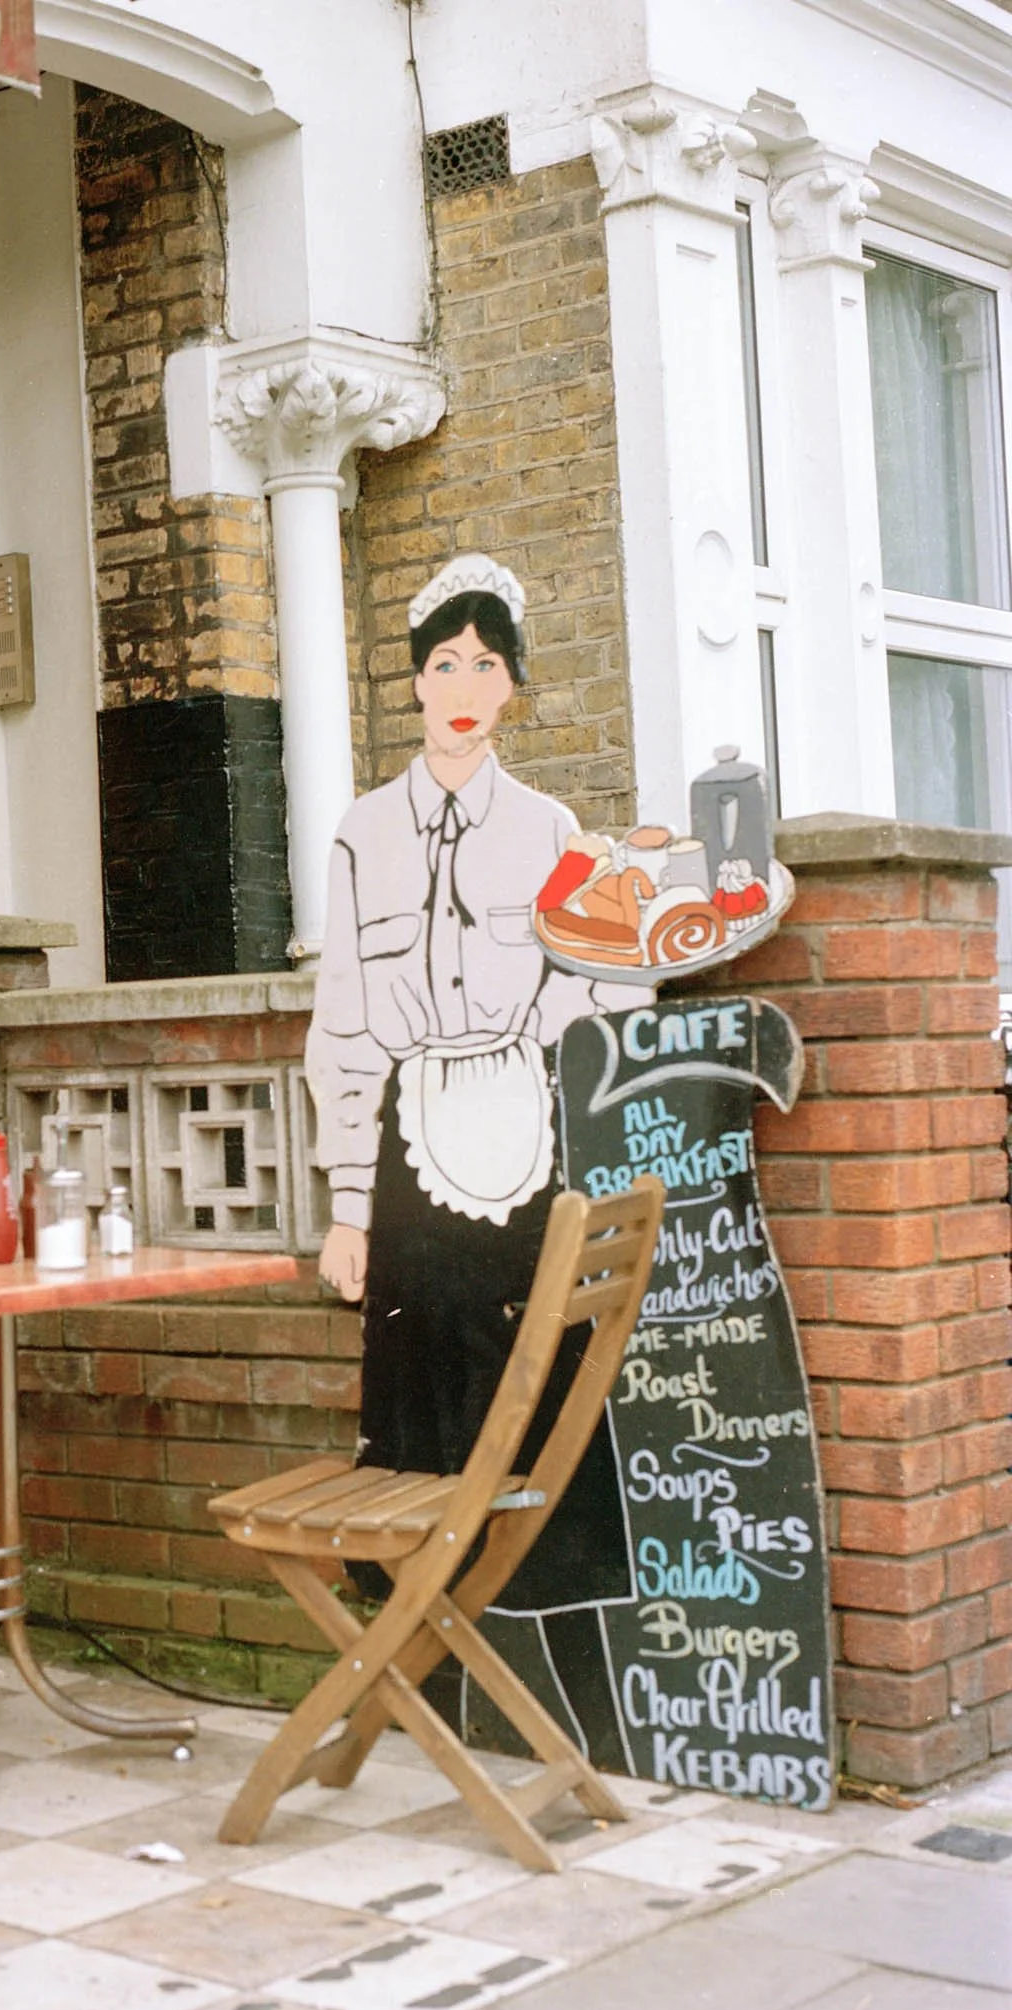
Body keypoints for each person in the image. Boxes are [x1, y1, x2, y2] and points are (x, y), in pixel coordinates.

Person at [304, 552, 644, 1659]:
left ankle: (529, 1611)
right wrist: (348, 1206)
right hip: (406, 1137)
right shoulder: (361, 832)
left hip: (520, 1126)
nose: (461, 682)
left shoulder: (549, 830)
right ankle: (421, 1622)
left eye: (484, 662)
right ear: (413, 681)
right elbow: (344, 1026)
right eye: (442, 660)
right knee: (421, 1366)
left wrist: (621, 899)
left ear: (510, 685)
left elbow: (594, 991)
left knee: (520, 1361)